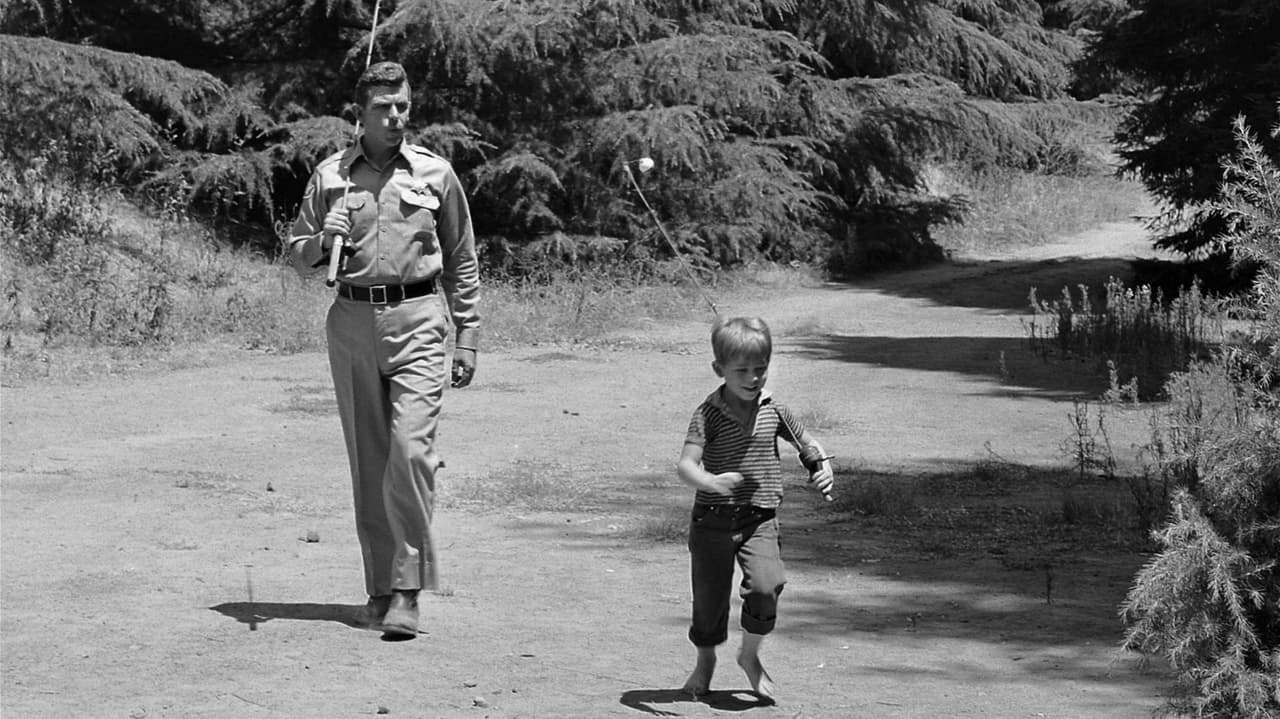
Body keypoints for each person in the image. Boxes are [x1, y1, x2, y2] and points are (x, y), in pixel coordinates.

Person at [287, 61, 480, 640]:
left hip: (419, 317)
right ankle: (379, 589)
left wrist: (467, 334)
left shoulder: (435, 174)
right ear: (359, 116)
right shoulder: (330, 177)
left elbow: (462, 258)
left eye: (402, 106)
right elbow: (297, 256)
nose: (395, 117)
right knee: (369, 461)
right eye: (383, 108)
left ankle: (408, 590)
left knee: (409, 453)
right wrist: (325, 238)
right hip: (349, 319)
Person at [675, 316, 834, 699]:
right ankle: (705, 660)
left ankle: (749, 655)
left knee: (766, 587)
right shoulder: (707, 413)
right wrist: (709, 481)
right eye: (742, 370)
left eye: (760, 369)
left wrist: (823, 468)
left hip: (758, 518)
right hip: (711, 520)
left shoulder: (773, 409)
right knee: (709, 600)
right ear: (720, 370)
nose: (752, 378)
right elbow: (685, 466)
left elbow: (807, 444)